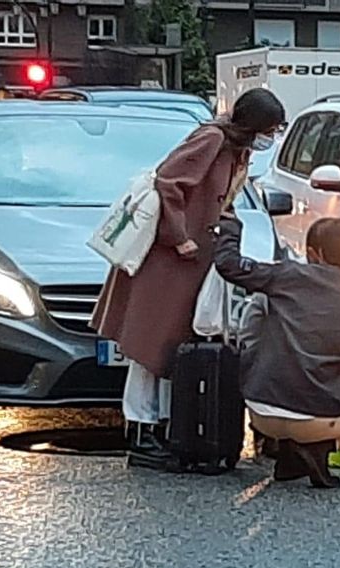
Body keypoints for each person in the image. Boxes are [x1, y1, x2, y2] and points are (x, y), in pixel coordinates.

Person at [91, 88, 287, 469]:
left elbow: (215, 196)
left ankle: (160, 428)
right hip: (169, 262)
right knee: (150, 345)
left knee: (169, 347)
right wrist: (179, 237)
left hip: (187, 263)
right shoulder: (212, 138)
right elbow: (169, 182)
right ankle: (141, 431)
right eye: (271, 129)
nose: (271, 138)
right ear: (253, 125)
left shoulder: (232, 146)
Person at [214, 217, 340, 489]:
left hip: (260, 408)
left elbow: (228, 265)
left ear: (318, 252)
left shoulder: (287, 274)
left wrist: (230, 226)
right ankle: (319, 447)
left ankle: (289, 447)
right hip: (316, 415)